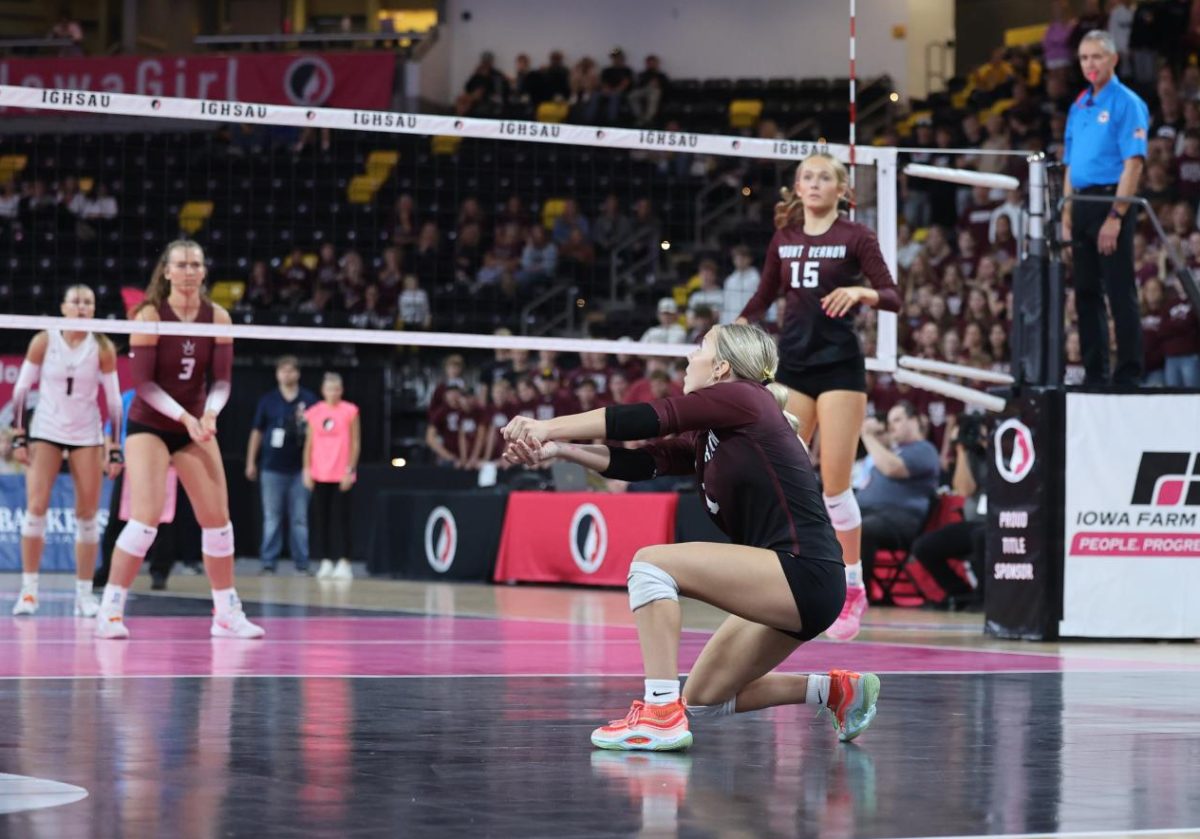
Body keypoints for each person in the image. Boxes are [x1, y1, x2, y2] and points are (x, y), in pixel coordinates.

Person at [502, 324, 879, 752]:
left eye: (699, 349)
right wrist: (561, 451)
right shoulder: (713, 432)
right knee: (702, 699)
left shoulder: (744, 398)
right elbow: (642, 463)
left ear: (721, 368)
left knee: (651, 564)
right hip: (797, 585)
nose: (688, 358)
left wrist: (547, 427)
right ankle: (836, 692)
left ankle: (659, 713)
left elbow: (644, 417)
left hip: (803, 570)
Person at [737, 152, 901, 642]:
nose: (812, 183)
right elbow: (762, 298)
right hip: (793, 364)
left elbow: (892, 295)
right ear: (797, 186)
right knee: (778, 475)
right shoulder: (784, 239)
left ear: (841, 189)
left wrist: (862, 295)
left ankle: (853, 585)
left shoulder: (855, 236)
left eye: (823, 177)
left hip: (839, 368)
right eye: (806, 176)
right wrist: (734, 330)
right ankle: (779, 577)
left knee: (834, 485)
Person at [96, 239, 264, 640]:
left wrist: (209, 414)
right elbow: (143, 384)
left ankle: (225, 613)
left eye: (196, 264)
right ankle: (111, 610)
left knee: (218, 523)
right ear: (166, 272)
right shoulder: (149, 315)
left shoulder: (217, 317)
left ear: (204, 272)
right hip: (150, 424)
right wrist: (188, 417)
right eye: (181, 265)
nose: (189, 271)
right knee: (145, 520)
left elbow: (221, 381)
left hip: (194, 423)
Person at [9, 285, 123, 617]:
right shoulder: (45, 339)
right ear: (63, 307)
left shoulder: (102, 346)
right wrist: (19, 436)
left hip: (86, 433)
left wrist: (113, 446)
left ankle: (84, 595)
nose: (82, 307)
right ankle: (29, 592)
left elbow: (115, 401)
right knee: (36, 506)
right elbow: (20, 390)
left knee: (87, 515)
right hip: (46, 430)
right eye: (76, 301)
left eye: (88, 302)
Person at [1062, 29, 1150, 387]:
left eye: (1096, 56)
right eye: (1084, 58)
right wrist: (1066, 214)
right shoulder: (1079, 104)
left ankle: (1128, 372)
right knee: (1085, 292)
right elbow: (1070, 164)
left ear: (1113, 59)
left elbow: (1134, 164)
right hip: (1080, 201)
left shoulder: (1127, 102)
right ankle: (1095, 373)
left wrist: (1116, 216)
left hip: (1111, 200)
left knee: (1118, 289)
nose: (1090, 64)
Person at [856, 401, 941, 586]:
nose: (891, 426)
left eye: (897, 420)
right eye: (889, 421)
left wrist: (867, 435)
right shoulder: (892, 450)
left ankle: (858, 591)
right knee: (831, 522)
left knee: (860, 529)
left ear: (915, 421)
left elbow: (892, 469)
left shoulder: (924, 449)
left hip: (900, 519)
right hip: (870, 513)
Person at [246, 355, 317, 575]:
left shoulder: (309, 399)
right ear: (277, 374)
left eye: (291, 370)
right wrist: (251, 461)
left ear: (298, 373)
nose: (287, 374)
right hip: (272, 467)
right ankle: (269, 561)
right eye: (283, 370)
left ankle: (302, 562)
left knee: (299, 518)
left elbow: (318, 434)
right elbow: (257, 432)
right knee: (272, 516)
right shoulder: (268, 400)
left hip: (300, 468)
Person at [303, 372, 360, 580]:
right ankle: (325, 561)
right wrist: (307, 469)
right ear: (323, 390)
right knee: (321, 518)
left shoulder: (350, 411)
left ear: (341, 391)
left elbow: (355, 442)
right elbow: (309, 443)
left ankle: (345, 561)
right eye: (329, 389)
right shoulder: (315, 412)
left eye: (336, 389)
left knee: (343, 518)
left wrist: (350, 470)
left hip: (341, 472)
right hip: (320, 471)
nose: (333, 393)